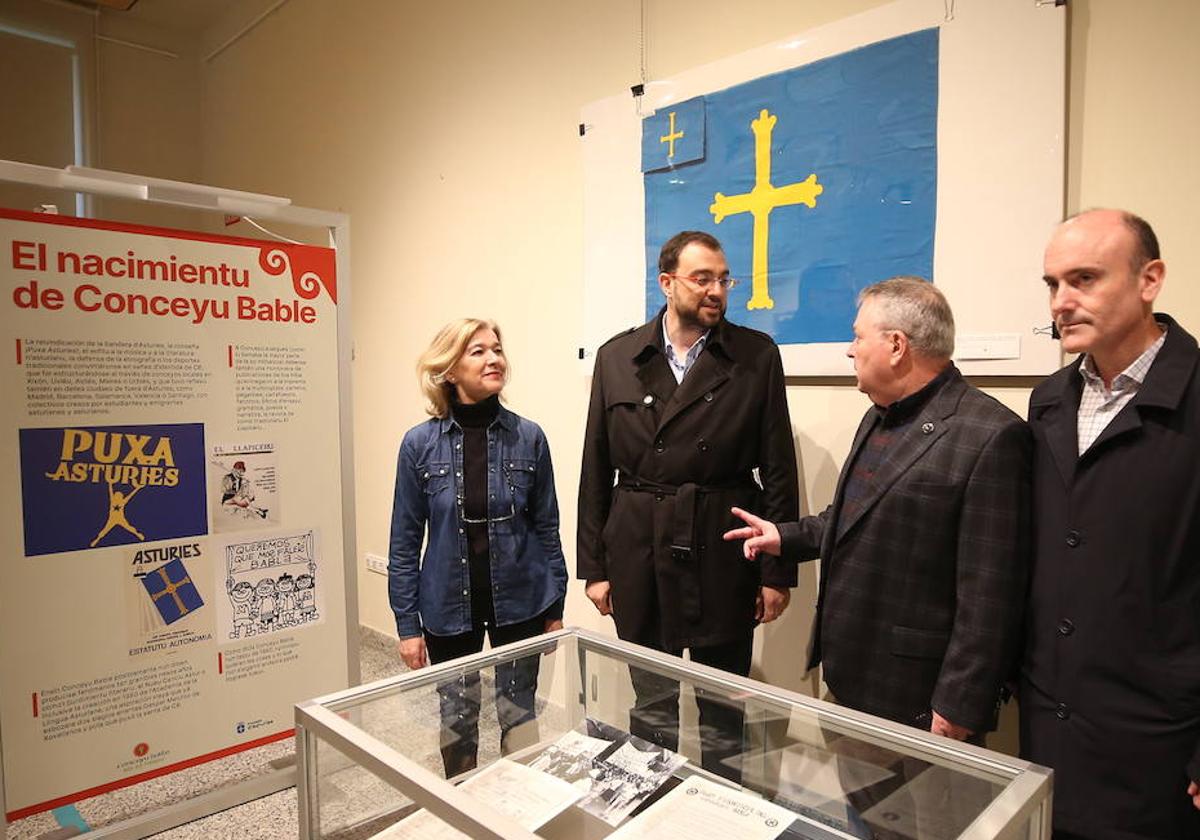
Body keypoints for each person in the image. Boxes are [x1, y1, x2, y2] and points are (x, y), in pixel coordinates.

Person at [724, 277, 1030, 743]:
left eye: (857, 336)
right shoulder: (878, 415)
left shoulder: (990, 435)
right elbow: (853, 519)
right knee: (859, 817)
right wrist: (784, 537)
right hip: (851, 679)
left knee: (929, 819)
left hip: (922, 704)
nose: (851, 350)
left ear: (895, 345)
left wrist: (960, 706)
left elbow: (991, 594)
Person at [577, 230, 799, 781]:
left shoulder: (755, 355)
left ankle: (723, 812)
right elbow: (595, 467)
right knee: (650, 699)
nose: (717, 290)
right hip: (638, 544)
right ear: (667, 282)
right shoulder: (617, 356)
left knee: (723, 705)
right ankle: (649, 806)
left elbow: (777, 470)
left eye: (725, 279)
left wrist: (777, 572)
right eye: (703, 279)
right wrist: (594, 568)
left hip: (722, 547)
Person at [1021, 208, 1200, 839]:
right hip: (1051, 726)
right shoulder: (1048, 402)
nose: (1062, 302)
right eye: (1052, 284)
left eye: (1085, 279)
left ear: (1149, 280)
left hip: (1156, 740)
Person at [389, 318, 567, 777]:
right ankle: (464, 804)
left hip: (521, 602)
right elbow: (405, 541)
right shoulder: (419, 445)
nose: (494, 359)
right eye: (478, 352)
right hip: (449, 604)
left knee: (519, 712)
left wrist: (555, 606)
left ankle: (520, 805)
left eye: (498, 349)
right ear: (450, 370)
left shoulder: (529, 437)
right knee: (457, 718)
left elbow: (547, 526)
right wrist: (408, 626)